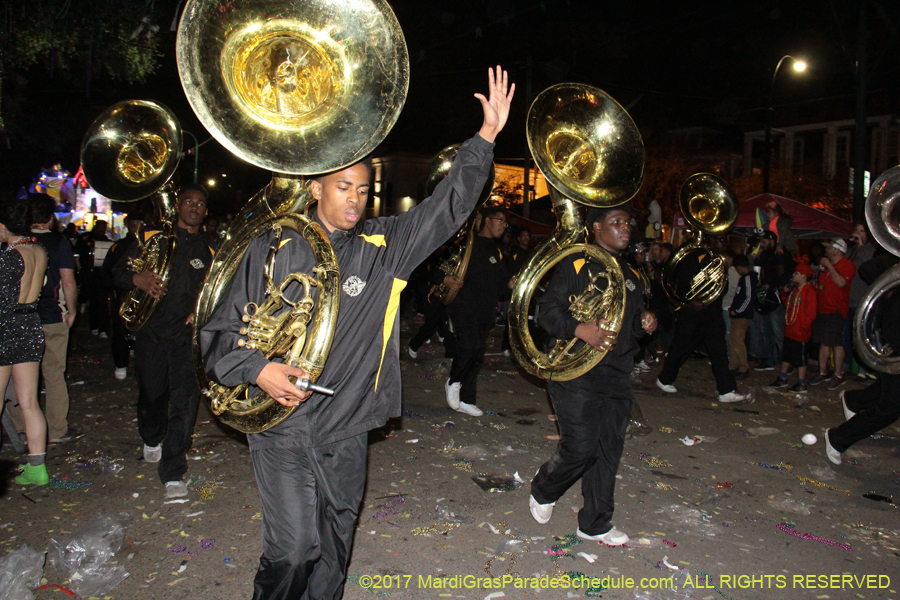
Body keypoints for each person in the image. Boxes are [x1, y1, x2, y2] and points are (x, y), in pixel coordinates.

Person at [200, 66, 513, 600]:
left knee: (334, 545)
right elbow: (219, 333)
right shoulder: (273, 245)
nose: (354, 199)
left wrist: (483, 141)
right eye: (343, 187)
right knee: (294, 549)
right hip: (282, 425)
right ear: (316, 186)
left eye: (364, 190)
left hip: (347, 425)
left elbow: (448, 209)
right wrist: (258, 367)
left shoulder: (384, 245)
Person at [528, 203, 657, 545]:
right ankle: (544, 487)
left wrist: (644, 325)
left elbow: (630, 329)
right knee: (582, 447)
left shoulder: (631, 275)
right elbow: (546, 314)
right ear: (596, 227)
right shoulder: (575, 263)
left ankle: (595, 523)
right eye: (616, 222)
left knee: (607, 452)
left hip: (616, 374)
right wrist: (579, 329)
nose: (625, 228)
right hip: (576, 372)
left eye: (628, 223)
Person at [113, 184, 215, 498]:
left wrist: (200, 311)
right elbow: (115, 273)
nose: (194, 207)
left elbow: (219, 291)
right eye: (188, 202)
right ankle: (151, 435)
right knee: (152, 396)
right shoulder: (152, 238)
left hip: (187, 339)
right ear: (178, 206)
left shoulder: (212, 248)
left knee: (185, 404)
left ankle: (173, 471)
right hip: (151, 334)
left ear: (205, 211)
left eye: (200, 203)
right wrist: (138, 279)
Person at [7, 195, 78, 445]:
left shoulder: (16, 243)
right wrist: (72, 310)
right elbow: (67, 280)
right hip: (51, 317)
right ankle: (57, 429)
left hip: (19, 320)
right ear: (50, 217)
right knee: (54, 374)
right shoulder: (59, 243)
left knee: (19, 378)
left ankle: (21, 429)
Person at [825, 255, 900, 464]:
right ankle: (837, 438)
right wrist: (889, 286)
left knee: (887, 390)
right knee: (891, 407)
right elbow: (868, 268)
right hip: (895, 338)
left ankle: (854, 400)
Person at [656, 242, 748, 403]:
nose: (721, 241)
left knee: (718, 351)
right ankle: (664, 378)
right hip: (692, 312)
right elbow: (682, 281)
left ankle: (726, 390)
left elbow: (723, 288)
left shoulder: (718, 261)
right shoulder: (692, 257)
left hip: (712, 313)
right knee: (681, 346)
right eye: (718, 238)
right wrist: (693, 299)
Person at [443, 205, 512, 417]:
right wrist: (445, 278)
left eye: (505, 223)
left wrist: (510, 285)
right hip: (463, 305)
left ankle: (467, 399)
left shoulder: (496, 251)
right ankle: (453, 382)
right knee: (469, 345)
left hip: (484, 310)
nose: (503, 226)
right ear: (487, 221)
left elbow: (500, 287)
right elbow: (438, 265)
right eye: (499, 220)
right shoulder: (466, 243)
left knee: (477, 353)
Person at [0, 199, 49, 485]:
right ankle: (37, 468)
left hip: (5, 328)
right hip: (29, 324)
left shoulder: (8, 258)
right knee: (30, 402)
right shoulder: (39, 251)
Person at [809, 239, 856, 389]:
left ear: (837, 250)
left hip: (836, 310)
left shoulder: (847, 265)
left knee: (836, 342)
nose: (826, 250)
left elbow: (841, 283)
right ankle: (823, 372)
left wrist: (830, 266)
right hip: (822, 308)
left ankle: (838, 373)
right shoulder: (825, 266)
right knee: (824, 341)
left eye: (829, 247)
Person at [103, 212, 143, 380]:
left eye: (140, 224)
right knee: (120, 331)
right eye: (134, 224)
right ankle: (121, 364)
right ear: (127, 224)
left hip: (144, 297)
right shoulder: (117, 246)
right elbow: (108, 273)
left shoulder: (148, 244)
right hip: (122, 296)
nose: (137, 228)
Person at [767, 263, 816, 393]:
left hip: (800, 332)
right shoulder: (795, 290)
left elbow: (811, 312)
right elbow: (787, 305)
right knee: (786, 356)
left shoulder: (809, 291)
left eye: (796, 273)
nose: (793, 275)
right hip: (790, 330)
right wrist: (784, 293)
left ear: (804, 276)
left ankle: (801, 383)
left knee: (801, 358)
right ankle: (783, 378)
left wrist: (803, 327)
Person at [751, 230, 794, 371]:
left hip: (776, 296)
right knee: (765, 329)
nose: (762, 243)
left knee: (778, 331)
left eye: (765, 241)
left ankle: (787, 362)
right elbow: (758, 273)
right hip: (764, 294)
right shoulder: (763, 254)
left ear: (772, 240)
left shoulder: (780, 254)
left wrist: (772, 283)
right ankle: (770, 359)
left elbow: (784, 274)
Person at [843, 222, 877, 380]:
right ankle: (849, 365)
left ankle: (864, 371)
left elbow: (865, 267)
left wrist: (862, 246)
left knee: (862, 337)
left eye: (861, 231)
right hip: (848, 300)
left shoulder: (871, 250)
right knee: (847, 336)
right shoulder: (850, 251)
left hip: (862, 300)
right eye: (856, 230)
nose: (857, 233)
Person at [75, 220, 112, 337]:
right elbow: (78, 253)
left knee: (102, 301)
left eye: (104, 228)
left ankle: (103, 328)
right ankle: (95, 325)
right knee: (93, 300)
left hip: (101, 275)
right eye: (100, 227)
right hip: (90, 274)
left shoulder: (107, 241)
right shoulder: (86, 239)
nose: (102, 230)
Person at [727, 254, 755, 379]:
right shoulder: (744, 279)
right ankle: (733, 365)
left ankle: (744, 367)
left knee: (738, 341)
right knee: (733, 339)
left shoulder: (748, 279)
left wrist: (737, 311)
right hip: (737, 314)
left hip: (742, 315)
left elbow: (748, 298)